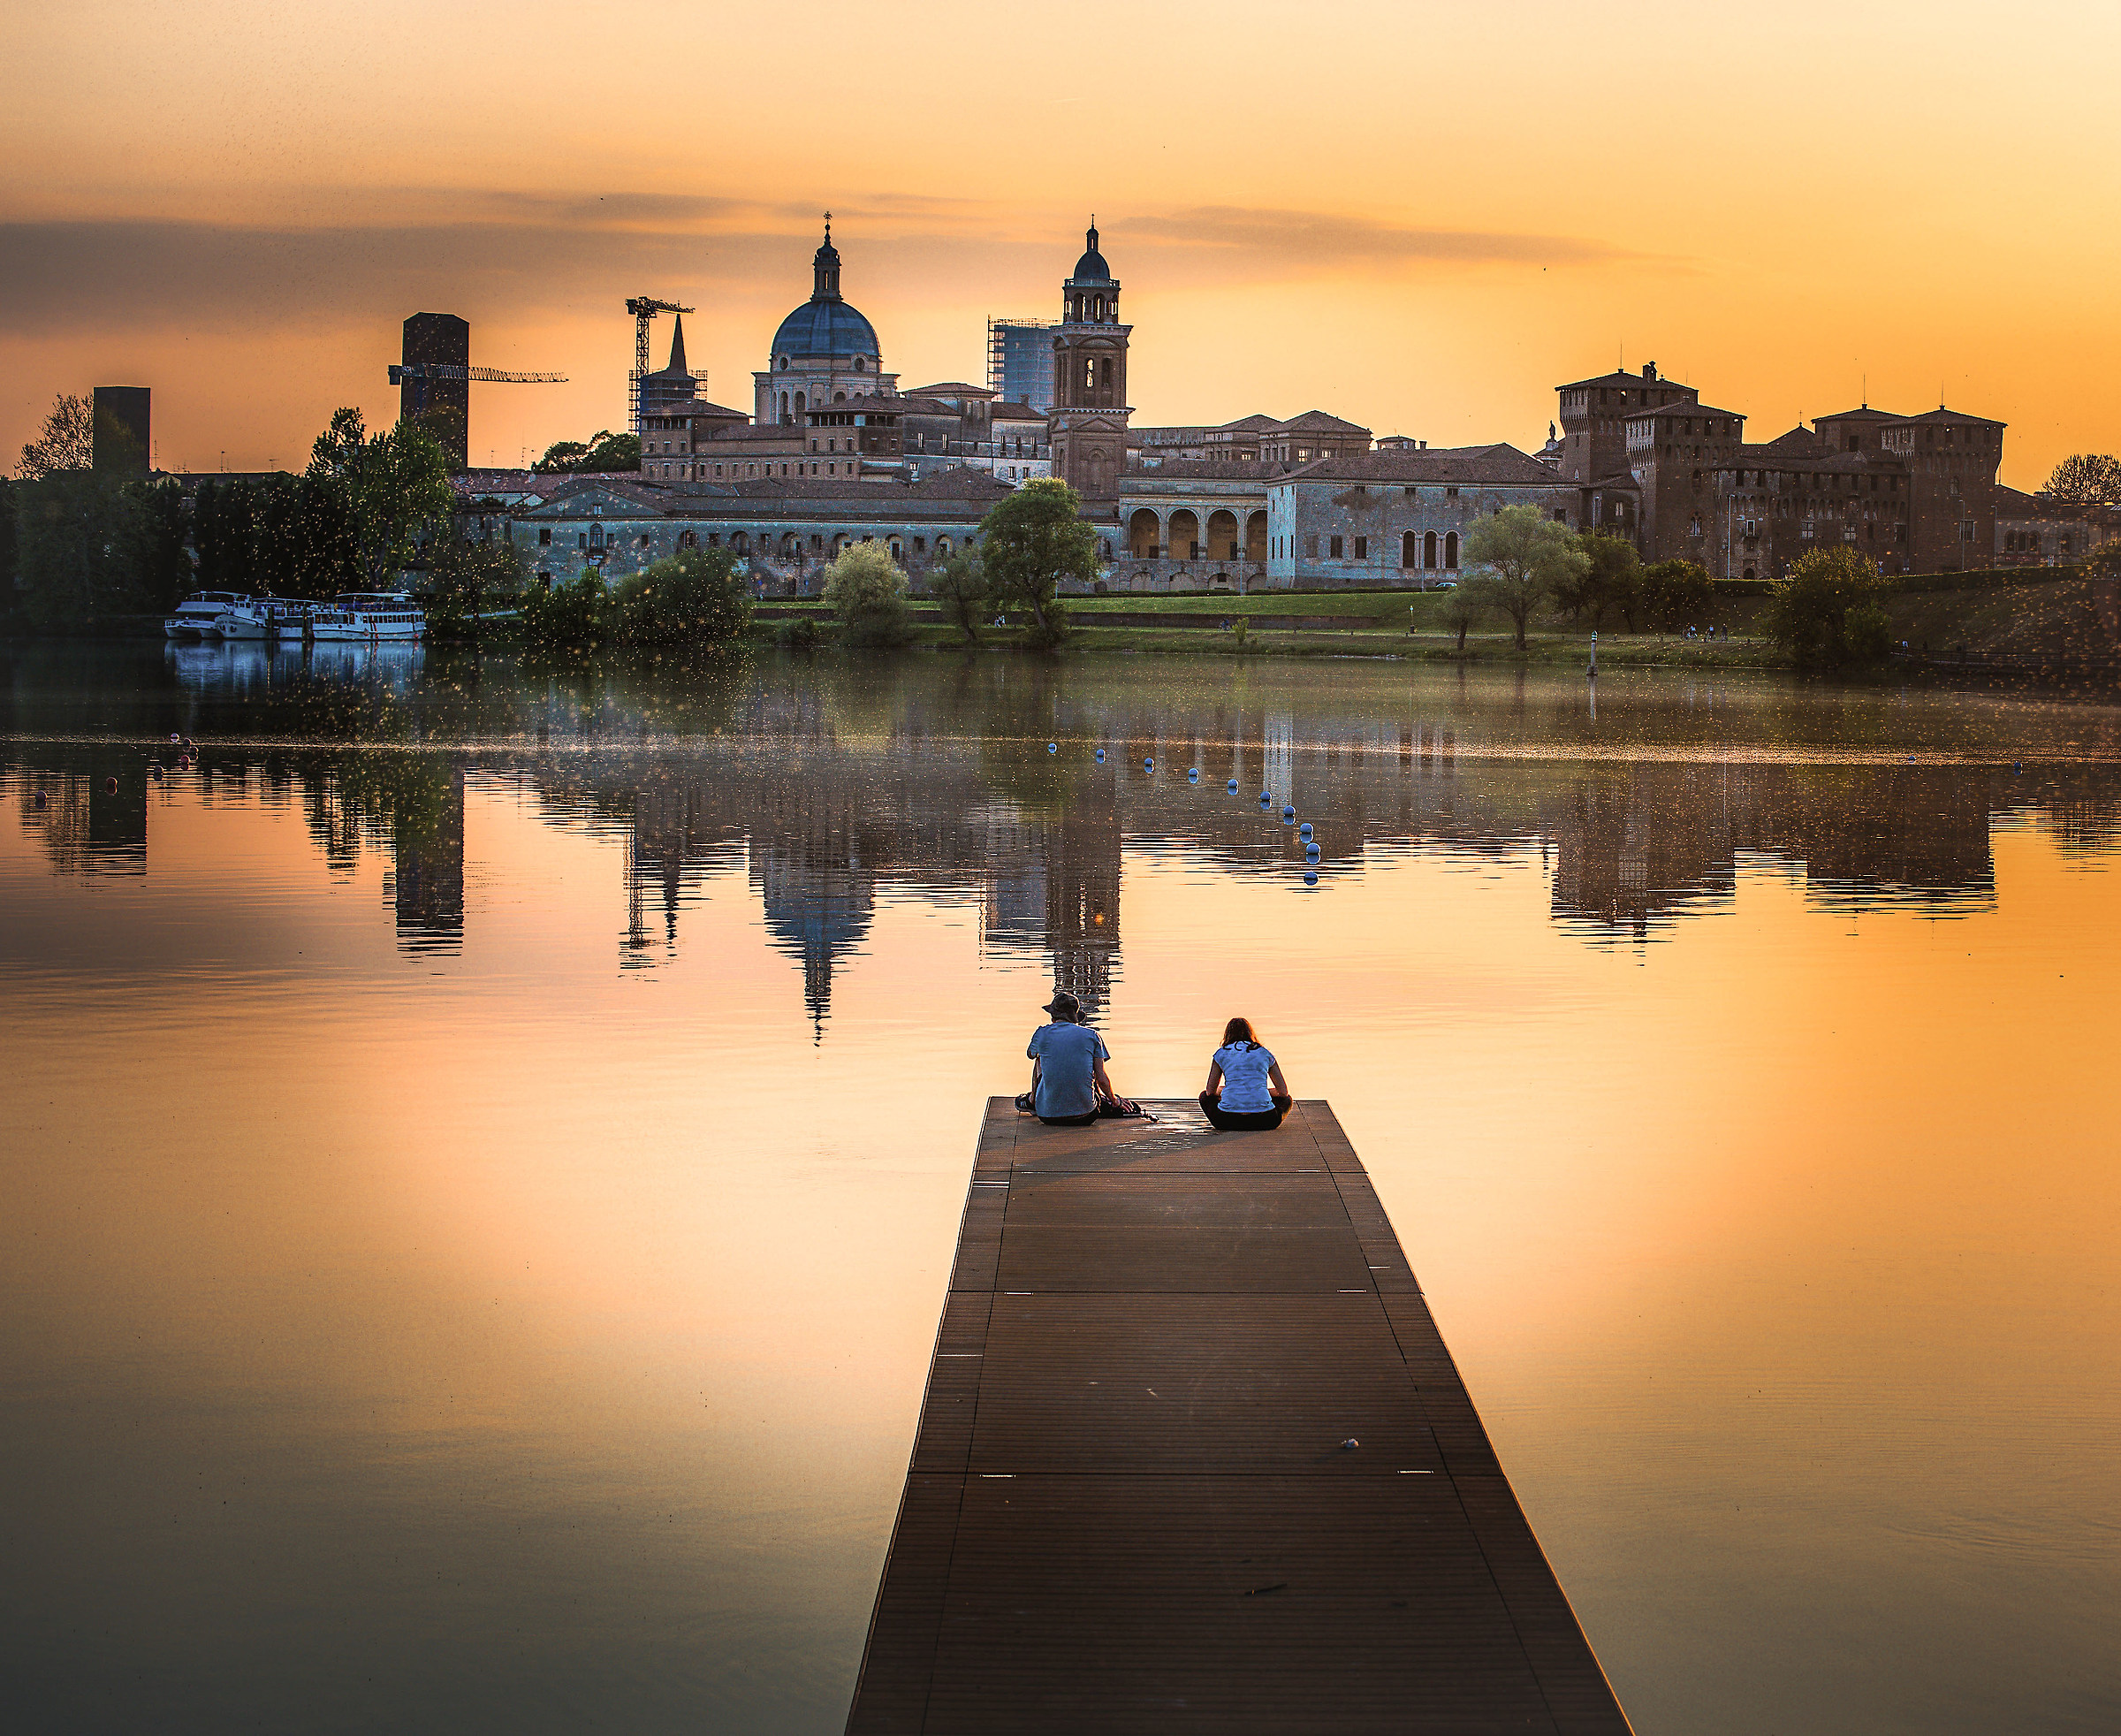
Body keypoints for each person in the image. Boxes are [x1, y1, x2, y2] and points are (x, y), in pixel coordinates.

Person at [1019, 990, 1126, 1125]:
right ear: (1075, 1017)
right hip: (1086, 1115)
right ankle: (1092, 1100)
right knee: (1088, 1063)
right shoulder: (1092, 1036)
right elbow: (1101, 1078)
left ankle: (1032, 1101)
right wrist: (1115, 1100)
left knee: (1039, 1058)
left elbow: (1031, 1054)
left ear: (1052, 1015)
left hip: (1047, 1116)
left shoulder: (1042, 1033)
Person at [1199, 1016, 1291, 1131]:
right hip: (1266, 1120)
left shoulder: (1221, 1053)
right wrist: (1261, 1091)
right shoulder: (1264, 1053)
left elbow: (1210, 1092)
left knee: (1204, 1096)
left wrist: (1223, 1091)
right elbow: (1283, 1092)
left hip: (1226, 1121)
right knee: (1287, 1099)